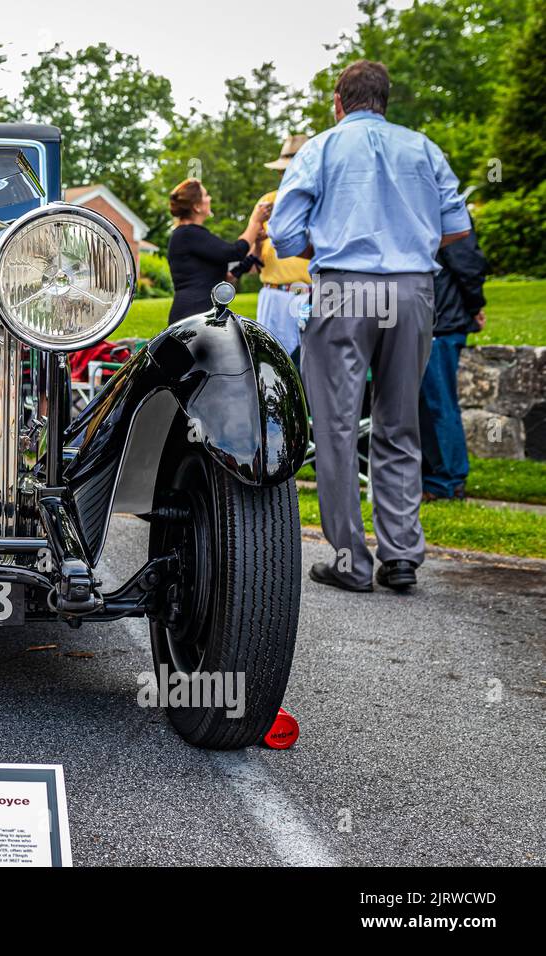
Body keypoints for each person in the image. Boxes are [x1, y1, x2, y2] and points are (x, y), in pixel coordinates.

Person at [267, 60, 471, 593]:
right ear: (385, 101)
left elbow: (284, 235)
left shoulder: (320, 147)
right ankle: (401, 553)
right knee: (400, 420)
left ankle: (349, 561)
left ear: (339, 101)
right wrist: (409, 241)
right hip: (411, 289)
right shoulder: (422, 148)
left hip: (344, 287)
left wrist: (332, 243)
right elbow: (457, 228)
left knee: (335, 428)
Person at [420, 226, 486, 501]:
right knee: (428, 406)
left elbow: (469, 265)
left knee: (439, 404)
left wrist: (475, 307)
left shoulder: (446, 209)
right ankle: (437, 478)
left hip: (441, 322)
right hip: (427, 320)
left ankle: (447, 482)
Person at [165, 179, 269, 324]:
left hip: (202, 313)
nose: (210, 198)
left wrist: (256, 241)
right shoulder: (188, 233)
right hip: (193, 315)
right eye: (206, 195)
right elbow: (234, 252)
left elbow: (225, 275)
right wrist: (255, 222)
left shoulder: (190, 234)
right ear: (197, 206)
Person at [253, 135, 313, 364]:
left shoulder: (319, 200)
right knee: (272, 364)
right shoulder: (267, 203)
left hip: (311, 294)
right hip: (274, 295)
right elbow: (253, 258)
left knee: (312, 365)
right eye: (283, 170)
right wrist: (258, 241)